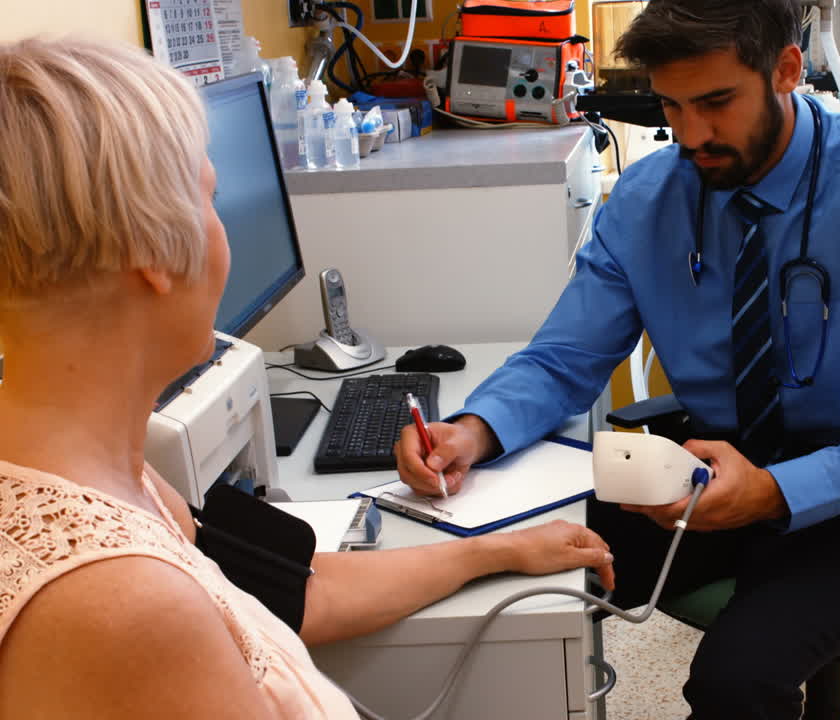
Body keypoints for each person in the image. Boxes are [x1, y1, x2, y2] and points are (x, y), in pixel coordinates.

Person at [395, 1, 840, 717]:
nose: (692, 135)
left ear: (787, 71)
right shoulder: (648, 199)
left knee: (735, 685)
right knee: (501, 575)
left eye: (716, 102)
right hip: (704, 472)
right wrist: (472, 431)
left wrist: (773, 490)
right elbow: (563, 359)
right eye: (672, 106)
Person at [0, 37, 614, 719]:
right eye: (212, 198)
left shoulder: (109, 478)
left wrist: (496, 553)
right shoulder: (127, 604)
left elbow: (300, 590)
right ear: (150, 250)